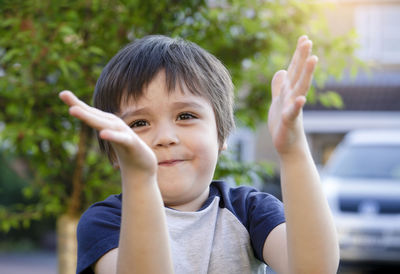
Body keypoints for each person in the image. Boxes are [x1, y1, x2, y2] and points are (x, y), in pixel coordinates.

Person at [59, 34, 339, 274]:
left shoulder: (249, 211)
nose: (165, 137)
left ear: (222, 134)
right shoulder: (106, 222)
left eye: (185, 115)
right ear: (113, 152)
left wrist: (292, 151)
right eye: (139, 123)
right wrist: (140, 179)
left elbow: (314, 268)